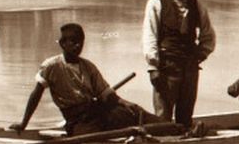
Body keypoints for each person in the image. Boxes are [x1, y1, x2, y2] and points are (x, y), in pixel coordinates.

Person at [11, 22, 155, 135]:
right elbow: (36, 95)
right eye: (73, 42)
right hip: (77, 120)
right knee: (92, 135)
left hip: (97, 112)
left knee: (136, 113)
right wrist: (24, 123)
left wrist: (126, 104)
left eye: (80, 41)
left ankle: (172, 129)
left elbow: (107, 95)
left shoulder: (88, 67)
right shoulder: (51, 66)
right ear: (62, 44)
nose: (78, 46)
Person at [142, 0, 216, 126]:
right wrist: (153, 67)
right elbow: (149, 35)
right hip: (167, 68)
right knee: (162, 117)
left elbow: (208, 36)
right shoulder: (157, 3)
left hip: (189, 69)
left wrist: (200, 54)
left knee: (185, 115)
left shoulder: (196, 5)